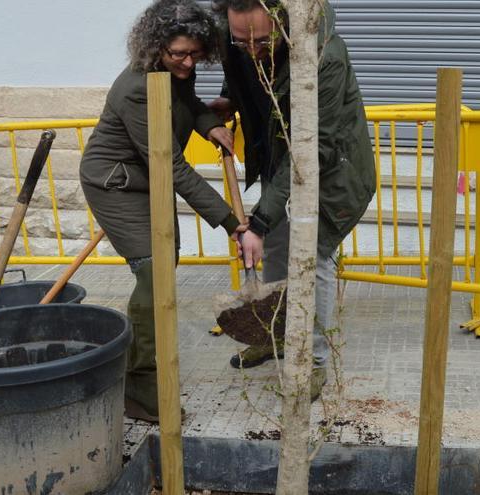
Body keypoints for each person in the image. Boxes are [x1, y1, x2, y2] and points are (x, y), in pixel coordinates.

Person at [79, 0, 244, 423]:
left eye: (195, 54)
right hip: (115, 183)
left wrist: (210, 124)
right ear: (156, 48)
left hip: (146, 174)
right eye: (179, 54)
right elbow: (171, 165)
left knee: (165, 263)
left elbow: (186, 104)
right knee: (153, 272)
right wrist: (232, 222)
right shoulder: (137, 87)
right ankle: (138, 385)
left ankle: (141, 367)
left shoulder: (174, 73)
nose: (189, 62)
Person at [209, 0, 375, 400]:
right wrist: (227, 101)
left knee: (311, 258)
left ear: (285, 23)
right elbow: (241, 73)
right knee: (279, 252)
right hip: (278, 160)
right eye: (240, 41)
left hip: (332, 171)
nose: (251, 49)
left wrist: (260, 222)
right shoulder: (235, 38)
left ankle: (315, 362)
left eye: (262, 42)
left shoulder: (326, 56)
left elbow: (311, 147)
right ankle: (276, 334)